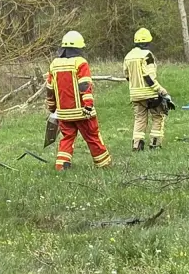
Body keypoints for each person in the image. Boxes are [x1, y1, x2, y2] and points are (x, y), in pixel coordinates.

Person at [45, 30, 112, 171]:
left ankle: (61, 165)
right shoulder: (80, 63)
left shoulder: (54, 64)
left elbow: (50, 88)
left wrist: (52, 107)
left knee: (67, 138)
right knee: (93, 137)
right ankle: (104, 164)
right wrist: (88, 105)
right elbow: (85, 85)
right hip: (82, 111)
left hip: (63, 113)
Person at [123, 27, 171, 151]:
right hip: (151, 94)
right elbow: (149, 77)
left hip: (135, 95)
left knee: (139, 118)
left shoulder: (128, 56)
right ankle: (155, 144)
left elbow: (127, 75)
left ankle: (137, 145)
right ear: (148, 42)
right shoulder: (147, 55)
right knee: (158, 116)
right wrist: (161, 90)